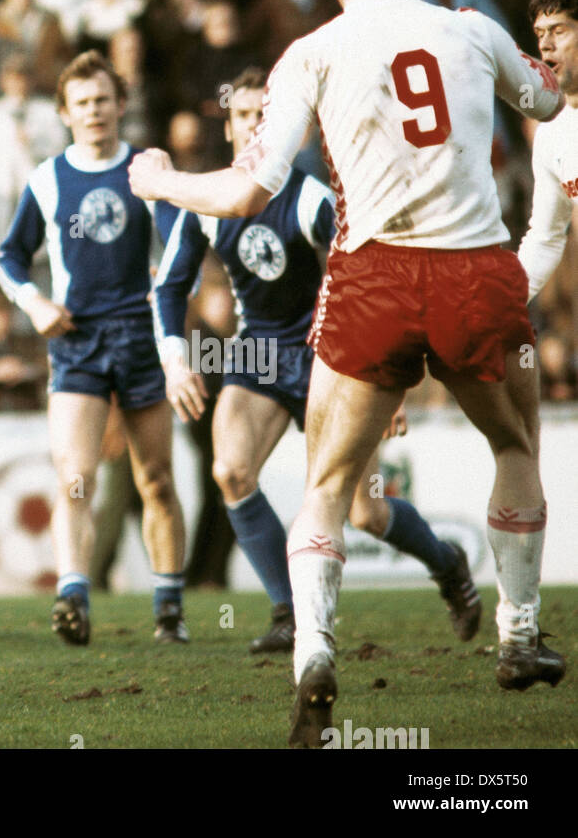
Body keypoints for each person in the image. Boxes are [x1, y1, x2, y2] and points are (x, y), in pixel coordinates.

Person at [128, 0, 565, 747]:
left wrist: (160, 179)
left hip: (372, 276)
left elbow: (251, 189)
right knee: (513, 446)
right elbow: (551, 101)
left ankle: (317, 657)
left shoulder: (312, 52)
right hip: (477, 268)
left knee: (326, 488)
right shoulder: (471, 32)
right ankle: (519, 635)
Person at [154, 66, 481, 652]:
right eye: (243, 116)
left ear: (287, 127)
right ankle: (289, 614)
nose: (255, 126)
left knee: (367, 513)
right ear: (228, 127)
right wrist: (177, 360)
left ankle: (447, 563)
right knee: (230, 472)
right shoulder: (209, 200)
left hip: (333, 354)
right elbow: (167, 287)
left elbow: (373, 281)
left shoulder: (312, 201)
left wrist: (391, 374)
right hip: (259, 350)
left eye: (264, 115)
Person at [0, 49, 187, 647]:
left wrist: (172, 301)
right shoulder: (47, 179)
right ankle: (73, 594)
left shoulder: (147, 171)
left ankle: (169, 609)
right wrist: (37, 305)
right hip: (76, 342)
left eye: (104, 99)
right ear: (65, 114)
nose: (95, 111)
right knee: (76, 476)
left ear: (121, 106)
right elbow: (7, 257)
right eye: (82, 103)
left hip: (140, 338)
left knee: (155, 479)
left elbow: (181, 242)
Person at [518, 0, 578, 305]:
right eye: (540, 34)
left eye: (558, 31)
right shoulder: (551, 135)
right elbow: (545, 237)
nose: (546, 45)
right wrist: (498, 307)